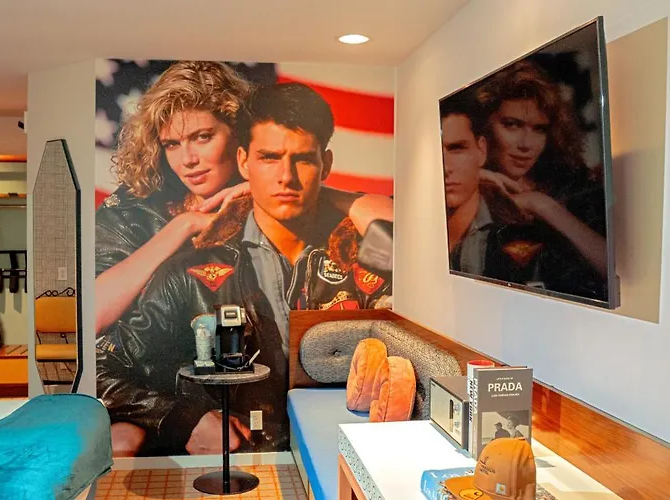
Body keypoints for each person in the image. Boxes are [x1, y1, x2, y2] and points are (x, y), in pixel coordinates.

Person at [96, 82, 393, 457]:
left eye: (303, 159)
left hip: (345, 445)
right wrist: (184, 419)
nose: (286, 177)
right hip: (238, 455)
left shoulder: (360, 256)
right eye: (269, 158)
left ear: (326, 165)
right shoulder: (190, 269)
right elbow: (102, 363)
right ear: (244, 162)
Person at [95, 61, 394, 337]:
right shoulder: (133, 209)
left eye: (203, 137)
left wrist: (278, 192)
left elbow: (400, 229)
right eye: (172, 144)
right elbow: (92, 317)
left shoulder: (277, 192)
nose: (188, 160)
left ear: (238, 136)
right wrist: (184, 225)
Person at [474, 59, 608, 299]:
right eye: (512, 125)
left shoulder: (574, 184)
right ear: (484, 128)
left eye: (539, 129)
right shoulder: (470, 189)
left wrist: (542, 205)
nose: (526, 144)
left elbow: (615, 269)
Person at [440, 93, 516, 280]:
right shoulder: (405, 220)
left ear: (481, 150)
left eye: (457, 148)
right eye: (435, 153)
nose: (445, 168)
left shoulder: (513, 233)